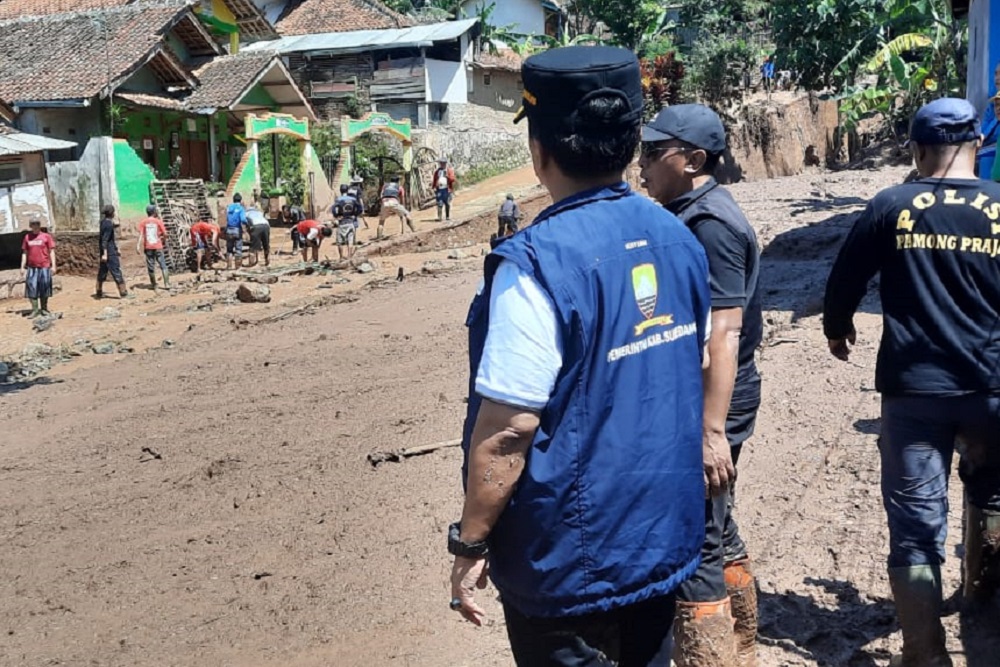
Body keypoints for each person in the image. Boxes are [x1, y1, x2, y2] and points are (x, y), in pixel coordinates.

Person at [449, 46, 711, 666]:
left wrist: (471, 541)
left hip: (568, 564)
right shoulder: (679, 239)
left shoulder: (533, 264)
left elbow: (509, 430)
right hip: (660, 538)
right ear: (629, 146)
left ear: (538, 152)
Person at [823, 98, 1000, 667]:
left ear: (918, 150)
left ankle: (925, 656)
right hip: (992, 387)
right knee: (993, 494)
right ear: (977, 145)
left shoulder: (892, 205)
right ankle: (982, 614)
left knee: (916, 526)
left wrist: (837, 328)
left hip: (915, 393)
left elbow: (845, 276)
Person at [640, 103, 763, 667]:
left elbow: (725, 333)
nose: (640, 165)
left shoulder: (709, 222)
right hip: (710, 394)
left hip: (716, 397)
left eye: (651, 153)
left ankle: (709, 656)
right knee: (719, 519)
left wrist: (711, 431)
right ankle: (742, 645)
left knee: (697, 537)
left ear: (691, 159)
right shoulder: (692, 210)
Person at [20, 218, 56, 318]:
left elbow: (51, 251)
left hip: (44, 266)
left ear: (40, 225)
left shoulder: (46, 236)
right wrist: (22, 267)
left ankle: (44, 309)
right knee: (32, 288)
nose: (35, 226)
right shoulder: (27, 237)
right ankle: (35, 309)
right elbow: (25, 253)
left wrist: (53, 266)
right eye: (33, 224)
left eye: (37, 224)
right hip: (32, 267)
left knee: (44, 288)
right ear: (30, 226)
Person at [95, 204, 129, 299]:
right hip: (109, 253)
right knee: (116, 271)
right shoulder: (109, 224)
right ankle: (123, 292)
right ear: (112, 213)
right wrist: (106, 254)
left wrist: (115, 248)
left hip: (106, 251)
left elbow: (109, 239)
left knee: (102, 272)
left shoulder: (103, 222)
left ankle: (98, 291)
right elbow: (105, 240)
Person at [136, 204, 170, 290]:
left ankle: (154, 284)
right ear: (154, 212)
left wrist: (138, 246)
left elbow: (140, 235)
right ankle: (167, 284)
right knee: (163, 264)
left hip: (148, 247)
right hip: (158, 246)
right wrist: (164, 240)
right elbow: (165, 234)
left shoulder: (143, 222)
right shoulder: (158, 221)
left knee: (151, 266)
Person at [333, 191, 360, 259]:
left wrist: (336, 216)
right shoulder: (353, 199)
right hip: (351, 222)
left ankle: (341, 257)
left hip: (342, 223)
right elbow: (360, 207)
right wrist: (355, 214)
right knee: (350, 240)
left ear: (340, 190)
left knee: (339, 242)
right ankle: (349, 256)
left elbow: (333, 208)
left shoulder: (339, 199)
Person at [225, 193, 248, 270]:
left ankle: (229, 266)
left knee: (229, 249)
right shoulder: (241, 208)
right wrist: (247, 225)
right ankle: (238, 267)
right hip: (237, 230)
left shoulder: (229, 208)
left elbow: (227, 218)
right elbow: (243, 220)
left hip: (229, 230)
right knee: (238, 249)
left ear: (233, 200)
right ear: (240, 200)